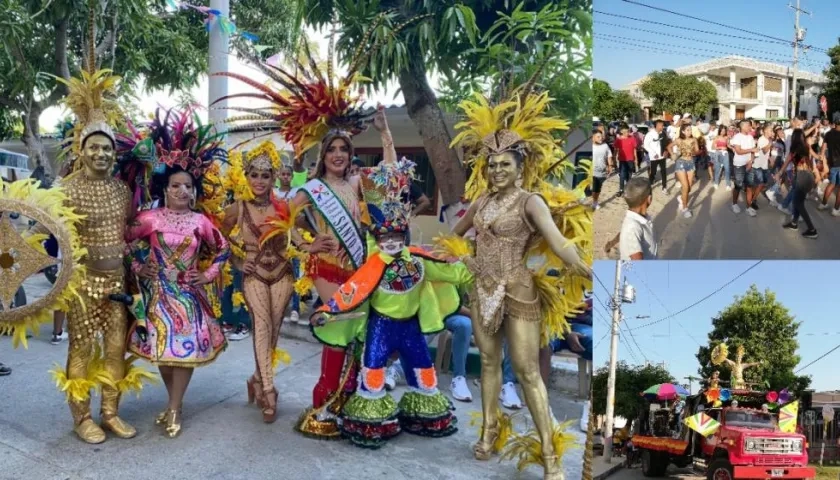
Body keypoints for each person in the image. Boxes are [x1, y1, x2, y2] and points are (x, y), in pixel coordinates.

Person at [448, 86, 590, 480]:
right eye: (491, 165)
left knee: (527, 371)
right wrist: (463, 257)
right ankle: (490, 430)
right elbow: (456, 235)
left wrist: (586, 269)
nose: (496, 171)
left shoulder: (531, 202)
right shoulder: (480, 202)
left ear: (520, 167)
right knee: (489, 362)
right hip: (481, 289)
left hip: (519, 290)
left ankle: (550, 453)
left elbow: (560, 244)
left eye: (504, 165)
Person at [310, 158, 472, 449]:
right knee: (372, 374)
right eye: (386, 237)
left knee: (422, 370)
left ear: (404, 235)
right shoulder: (373, 266)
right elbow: (351, 292)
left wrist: (467, 262)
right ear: (378, 238)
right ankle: (372, 424)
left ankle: (424, 416)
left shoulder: (420, 260)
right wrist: (325, 312)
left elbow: (451, 272)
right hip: (381, 327)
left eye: (397, 236)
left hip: (411, 328)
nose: (392, 242)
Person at [49, 68, 147, 444]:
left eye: (107, 148)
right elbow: (49, 230)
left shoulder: (123, 191)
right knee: (81, 349)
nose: (102, 153)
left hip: (117, 285)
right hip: (83, 284)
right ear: (81, 149)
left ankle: (110, 413)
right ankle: (82, 418)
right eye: (94, 146)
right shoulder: (66, 189)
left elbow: (133, 229)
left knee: (116, 350)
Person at [123, 108, 230, 438]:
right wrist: (140, 266)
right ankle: (172, 402)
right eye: (176, 186)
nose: (183, 191)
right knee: (165, 353)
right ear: (164, 189)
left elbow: (223, 249)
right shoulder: (150, 218)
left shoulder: (201, 222)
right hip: (157, 296)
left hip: (188, 296)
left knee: (182, 354)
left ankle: (174, 408)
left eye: (188, 186)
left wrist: (208, 274)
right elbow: (123, 242)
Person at [223, 142, 295, 423]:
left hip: (282, 272)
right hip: (254, 274)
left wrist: (313, 248)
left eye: (266, 175)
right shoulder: (237, 208)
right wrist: (239, 262)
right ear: (246, 176)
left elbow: (299, 237)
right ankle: (268, 389)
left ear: (274, 177)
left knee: (274, 331)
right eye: (254, 174)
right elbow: (218, 239)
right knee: (261, 327)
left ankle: (255, 378)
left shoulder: (284, 206)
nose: (259, 181)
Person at [781, 135, 819, 239]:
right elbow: (817, 157)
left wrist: (779, 173)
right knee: (798, 202)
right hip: (808, 176)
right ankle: (794, 223)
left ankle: (812, 229)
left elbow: (786, 163)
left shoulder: (795, 151)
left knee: (798, 203)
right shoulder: (806, 148)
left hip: (802, 177)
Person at [730, 120, 757, 215]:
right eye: (749, 126)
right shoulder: (737, 137)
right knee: (738, 185)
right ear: (743, 127)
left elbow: (753, 151)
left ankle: (748, 207)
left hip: (749, 164)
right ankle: (734, 204)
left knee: (749, 186)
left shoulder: (750, 137)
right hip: (739, 165)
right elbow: (738, 151)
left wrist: (751, 161)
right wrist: (751, 149)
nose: (751, 127)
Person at [817, 120, 840, 215]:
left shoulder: (828, 133)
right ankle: (836, 209)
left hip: (833, 163)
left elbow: (823, 147)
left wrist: (821, 159)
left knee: (832, 184)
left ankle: (823, 204)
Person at [614, 123, 638, 196]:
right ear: (621, 132)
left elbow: (634, 149)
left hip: (630, 159)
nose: (627, 133)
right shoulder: (618, 140)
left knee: (629, 175)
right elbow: (615, 149)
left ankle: (628, 189)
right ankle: (621, 189)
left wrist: (636, 159)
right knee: (622, 175)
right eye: (626, 132)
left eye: (628, 131)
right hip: (622, 160)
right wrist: (614, 158)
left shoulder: (632, 138)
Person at [592, 128, 612, 210]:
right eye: (598, 137)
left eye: (601, 136)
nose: (601, 138)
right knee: (593, 188)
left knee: (598, 189)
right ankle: (593, 201)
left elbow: (609, 155)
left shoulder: (605, 145)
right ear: (592, 138)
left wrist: (610, 166)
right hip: (592, 172)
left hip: (602, 172)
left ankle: (595, 202)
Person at [644, 120, 667, 192]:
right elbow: (646, 145)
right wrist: (654, 153)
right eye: (661, 125)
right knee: (653, 172)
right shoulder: (650, 134)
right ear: (656, 125)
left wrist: (666, 150)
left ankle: (664, 187)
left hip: (662, 156)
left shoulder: (663, 133)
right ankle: (649, 186)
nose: (662, 126)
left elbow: (666, 143)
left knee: (663, 171)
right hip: (654, 157)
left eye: (663, 125)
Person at [711, 125, 731, 190]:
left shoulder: (727, 137)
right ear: (719, 130)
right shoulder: (716, 137)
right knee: (717, 168)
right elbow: (712, 147)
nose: (723, 132)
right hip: (718, 153)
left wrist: (733, 148)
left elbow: (728, 145)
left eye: (724, 131)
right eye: (722, 131)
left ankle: (728, 185)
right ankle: (716, 183)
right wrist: (720, 147)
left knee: (727, 169)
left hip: (725, 154)